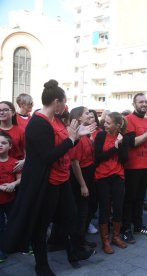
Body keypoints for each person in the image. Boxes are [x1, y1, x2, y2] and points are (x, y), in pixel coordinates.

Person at [1, 80, 95, 275]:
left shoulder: (57, 120)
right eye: (64, 102)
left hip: (61, 179)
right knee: (41, 226)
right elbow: (47, 157)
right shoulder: (38, 123)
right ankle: (41, 265)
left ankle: (74, 252)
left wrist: (76, 137)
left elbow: (64, 147)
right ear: (56, 101)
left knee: (70, 218)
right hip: (46, 183)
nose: (65, 106)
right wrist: (71, 139)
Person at [121, 93, 147, 244]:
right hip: (132, 166)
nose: (144, 104)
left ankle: (138, 226)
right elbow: (131, 143)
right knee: (129, 199)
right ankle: (125, 230)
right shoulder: (128, 120)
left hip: (146, 164)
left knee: (140, 199)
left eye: (146, 102)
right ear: (134, 104)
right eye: (141, 102)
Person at [95, 112, 129, 254]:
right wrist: (114, 148)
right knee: (104, 208)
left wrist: (120, 145)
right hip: (102, 177)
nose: (105, 124)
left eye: (108, 123)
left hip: (117, 176)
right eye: (105, 122)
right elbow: (98, 158)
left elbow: (124, 159)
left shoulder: (123, 138)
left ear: (117, 125)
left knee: (118, 207)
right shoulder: (101, 136)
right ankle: (105, 240)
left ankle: (116, 236)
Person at [68, 107, 97, 249]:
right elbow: (75, 163)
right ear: (79, 117)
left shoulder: (85, 133)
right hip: (81, 175)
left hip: (89, 173)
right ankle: (78, 242)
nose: (89, 115)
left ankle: (81, 238)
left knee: (87, 208)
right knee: (81, 210)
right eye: (86, 113)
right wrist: (83, 185)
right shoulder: (77, 135)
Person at [0, 131, 21, 263]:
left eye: (3, 143)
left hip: (10, 199)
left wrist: (13, 183)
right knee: (0, 225)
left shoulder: (15, 162)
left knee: (14, 221)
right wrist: (1, 187)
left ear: (10, 146)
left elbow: (20, 178)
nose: (0, 145)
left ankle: (14, 244)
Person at [0, 101, 25, 172]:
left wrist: (24, 161)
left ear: (13, 113)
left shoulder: (21, 131)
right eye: (0, 110)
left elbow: (29, 151)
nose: (1, 113)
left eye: (5, 110)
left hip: (16, 169)